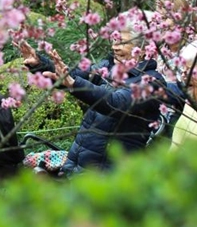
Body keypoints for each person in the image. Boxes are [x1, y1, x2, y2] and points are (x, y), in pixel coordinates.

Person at [19, 11, 169, 176]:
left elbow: (115, 103)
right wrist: (40, 64)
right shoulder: (108, 67)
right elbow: (74, 76)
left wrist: (74, 84)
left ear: (142, 48)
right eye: (114, 40)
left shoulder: (151, 82)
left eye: (121, 42)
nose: (114, 47)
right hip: (76, 166)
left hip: (108, 177)